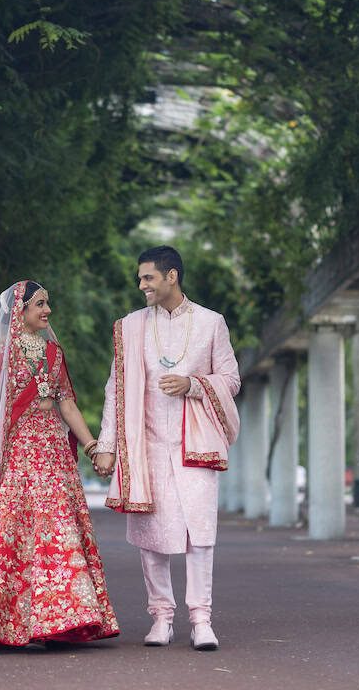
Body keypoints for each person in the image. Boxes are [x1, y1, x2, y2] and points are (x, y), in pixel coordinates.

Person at [0, 281, 119, 647]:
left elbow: (66, 402)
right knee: (8, 528)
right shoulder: (0, 352)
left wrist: (92, 444)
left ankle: (62, 619)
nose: (47, 311)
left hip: (53, 453)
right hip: (15, 452)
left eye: (48, 303)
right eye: (40, 304)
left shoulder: (53, 352)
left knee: (59, 528)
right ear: (21, 310)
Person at [92, 246, 240, 651]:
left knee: (200, 532)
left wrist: (193, 385)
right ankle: (161, 617)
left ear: (171, 276)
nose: (141, 285)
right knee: (152, 533)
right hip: (147, 444)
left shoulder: (211, 323)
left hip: (195, 443)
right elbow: (115, 388)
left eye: (148, 278)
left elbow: (230, 378)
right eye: (140, 279)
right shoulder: (132, 326)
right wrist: (107, 445)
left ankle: (201, 620)